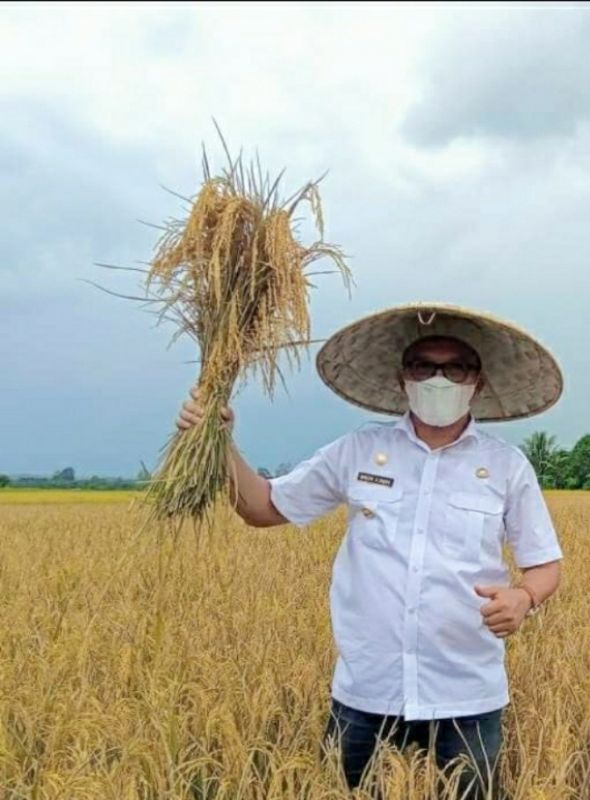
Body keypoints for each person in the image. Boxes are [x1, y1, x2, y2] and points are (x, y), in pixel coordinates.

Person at [176, 303, 565, 799]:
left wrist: (523, 598)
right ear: (403, 377)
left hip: (466, 692)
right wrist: (217, 441)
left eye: (455, 367)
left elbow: (545, 564)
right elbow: (264, 507)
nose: (438, 379)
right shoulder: (357, 451)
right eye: (424, 366)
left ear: (478, 382)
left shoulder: (506, 467)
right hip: (367, 690)